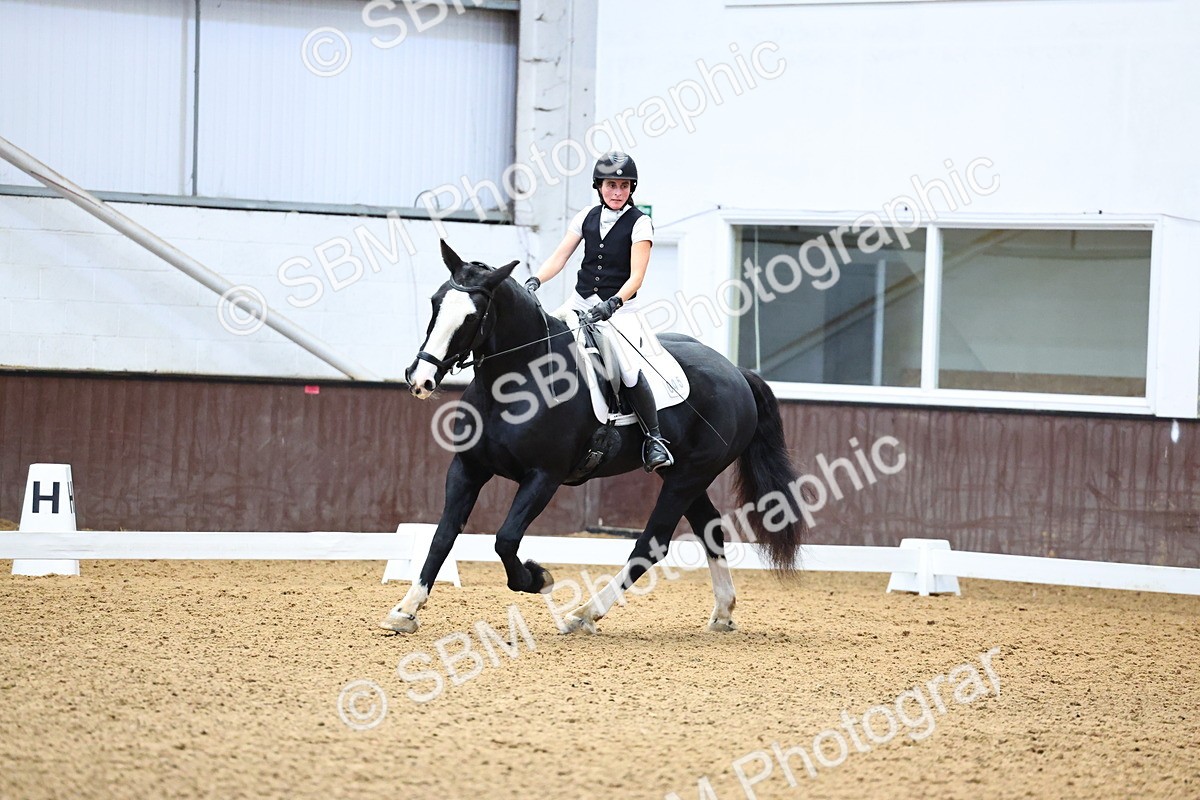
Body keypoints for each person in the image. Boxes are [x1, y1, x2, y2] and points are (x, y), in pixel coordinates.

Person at [525, 151, 674, 472]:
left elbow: (636, 277)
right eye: (611, 185)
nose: (617, 192)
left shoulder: (640, 223)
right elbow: (560, 256)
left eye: (623, 186)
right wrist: (536, 279)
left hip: (620, 310)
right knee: (544, 338)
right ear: (599, 186)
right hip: (580, 302)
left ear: (632, 188)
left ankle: (654, 439)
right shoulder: (586, 216)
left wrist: (614, 303)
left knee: (628, 369)